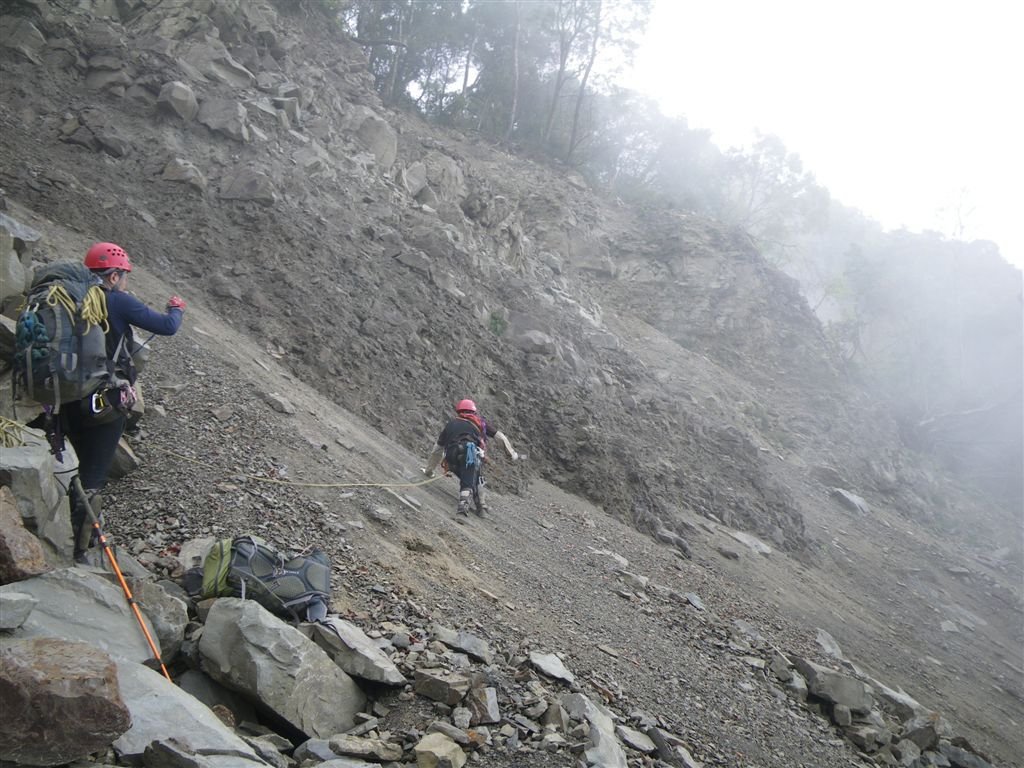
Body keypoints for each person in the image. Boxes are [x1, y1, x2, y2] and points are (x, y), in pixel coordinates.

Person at [64, 242, 185, 560]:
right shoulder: (117, 301)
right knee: (92, 472)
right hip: (102, 401)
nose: (125, 281)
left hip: (64, 397)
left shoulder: (67, 296)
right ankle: (79, 547)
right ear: (113, 275)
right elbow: (167, 327)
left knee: (72, 459)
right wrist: (176, 308)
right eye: (124, 276)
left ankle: (59, 520)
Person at [422, 399, 519, 517]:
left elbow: (437, 450)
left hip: (452, 456)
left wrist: (429, 471)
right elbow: (500, 437)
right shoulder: (480, 422)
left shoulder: (451, 424)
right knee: (475, 477)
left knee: (468, 473)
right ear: (474, 412)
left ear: (458, 411)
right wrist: (511, 454)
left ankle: (477, 504)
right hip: (470, 452)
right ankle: (475, 506)